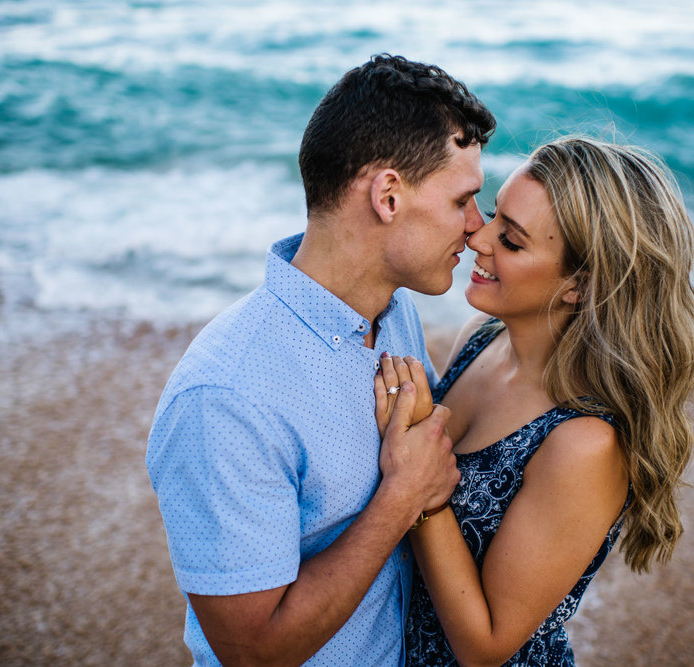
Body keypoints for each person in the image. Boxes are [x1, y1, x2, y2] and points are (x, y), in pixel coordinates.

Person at [146, 54, 496, 666]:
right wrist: (401, 497)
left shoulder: (393, 315)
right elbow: (251, 653)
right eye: (463, 200)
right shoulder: (224, 397)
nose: (476, 227)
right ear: (388, 196)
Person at [374, 137, 694, 666]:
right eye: (493, 216)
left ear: (579, 284)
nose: (477, 237)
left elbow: (485, 647)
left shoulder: (583, 442)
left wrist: (423, 494)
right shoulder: (481, 336)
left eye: (510, 241)